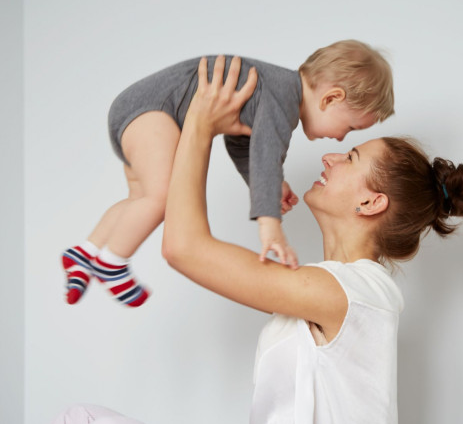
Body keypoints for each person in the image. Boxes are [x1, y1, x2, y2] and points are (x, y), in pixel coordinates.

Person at [160, 56, 463, 424]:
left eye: (351, 157)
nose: (330, 157)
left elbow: (183, 248)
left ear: (370, 202)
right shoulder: (332, 289)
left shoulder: (354, 294)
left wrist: (200, 123)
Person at [61, 40, 395, 307]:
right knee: (161, 197)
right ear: (331, 97)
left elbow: (241, 144)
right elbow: (265, 152)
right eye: (349, 127)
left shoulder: (272, 92)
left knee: (140, 198)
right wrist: (269, 224)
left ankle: (86, 251)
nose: (340, 138)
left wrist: (264, 184)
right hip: (152, 112)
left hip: (138, 111)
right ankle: (112, 262)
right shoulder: (282, 99)